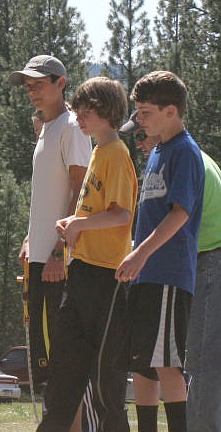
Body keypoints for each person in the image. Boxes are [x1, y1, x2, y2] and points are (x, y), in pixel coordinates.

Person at [36, 77, 137, 431]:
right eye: (76, 110)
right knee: (64, 374)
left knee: (108, 381)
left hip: (107, 279)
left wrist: (78, 225)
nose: (78, 116)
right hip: (79, 275)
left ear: (107, 112)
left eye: (85, 110)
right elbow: (94, 210)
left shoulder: (117, 154)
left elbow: (122, 214)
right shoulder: (96, 151)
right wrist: (72, 224)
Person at [115, 71, 204, 432]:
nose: (140, 120)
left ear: (171, 111)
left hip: (167, 273)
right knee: (142, 364)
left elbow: (180, 213)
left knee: (168, 363)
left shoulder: (184, 150)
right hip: (146, 275)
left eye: (146, 112)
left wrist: (141, 254)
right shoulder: (157, 150)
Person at [11, 55, 92, 387]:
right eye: (28, 86)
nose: (32, 92)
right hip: (41, 259)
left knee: (63, 363)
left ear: (61, 83)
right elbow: (47, 196)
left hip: (61, 262)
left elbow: (82, 191)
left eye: (39, 85)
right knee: (46, 363)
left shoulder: (72, 127)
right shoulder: (47, 128)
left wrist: (61, 250)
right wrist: (31, 238)